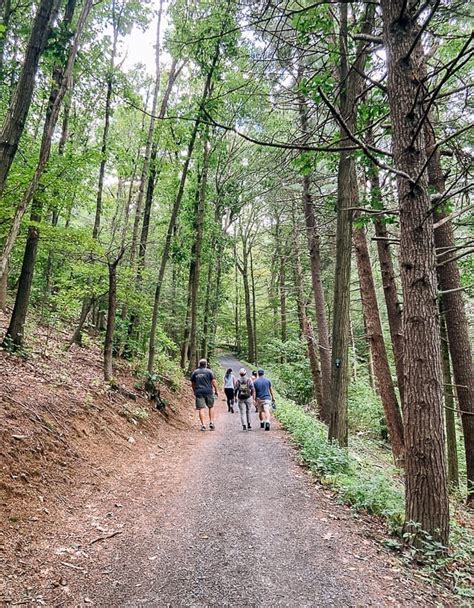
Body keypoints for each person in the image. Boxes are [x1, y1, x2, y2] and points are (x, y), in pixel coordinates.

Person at [191, 358, 218, 431]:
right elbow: (213, 382)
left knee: (201, 408)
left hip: (199, 391)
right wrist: (216, 390)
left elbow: (193, 383)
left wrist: (194, 391)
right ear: (206, 364)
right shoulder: (209, 372)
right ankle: (211, 422)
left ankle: (203, 425)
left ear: (199, 364)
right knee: (211, 407)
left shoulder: (195, 372)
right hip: (208, 391)